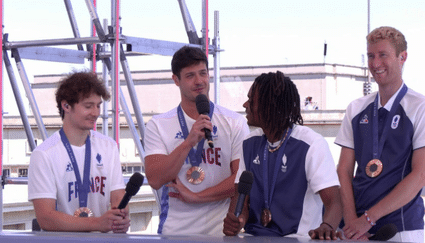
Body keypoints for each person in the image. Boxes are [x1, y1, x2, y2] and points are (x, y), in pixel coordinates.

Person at [223, 71, 342, 240]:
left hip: (296, 238)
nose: (245, 104)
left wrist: (327, 226)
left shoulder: (311, 144)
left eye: (251, 100)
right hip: (253, 236)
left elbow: (334, 203)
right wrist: (238, 220)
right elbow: (240, 197)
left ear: (269, 105)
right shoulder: (249, 143)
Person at [144, 46, 249, 236]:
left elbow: (240, 179)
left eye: (203, 73)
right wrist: (188, 142)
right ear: (176, 80)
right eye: (190, 76)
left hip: (222, 231)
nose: (199, 81)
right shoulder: (158, 125)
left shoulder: (234, 122)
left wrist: (197, 197)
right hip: (175, 231)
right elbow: (155, 179)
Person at [335, 26, 425, 242]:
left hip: (400, 230)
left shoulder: (419, 107)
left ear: (402, 57)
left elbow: (420, 175)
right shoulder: (355, 109)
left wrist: (367, 220)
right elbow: (344, 170)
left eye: (383, 55)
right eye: (370, 56)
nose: (375, 64)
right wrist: (352, 224)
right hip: (356, 231)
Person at [28, 71, 130, 233]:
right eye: (88, 106)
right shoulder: (44, 154)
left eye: (98, 106)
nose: (96, 113)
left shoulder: (109, 146)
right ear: (66, 106)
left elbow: (118, 197)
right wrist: (97, 223)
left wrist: (119, 218)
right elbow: (46, 218)